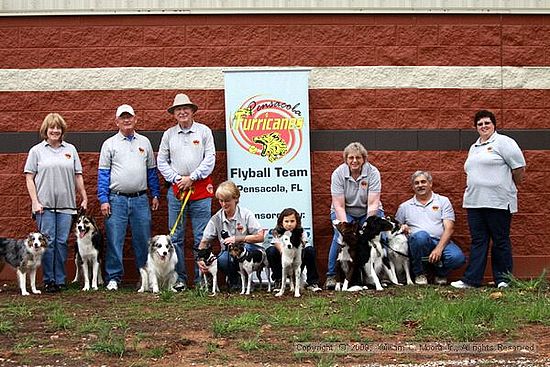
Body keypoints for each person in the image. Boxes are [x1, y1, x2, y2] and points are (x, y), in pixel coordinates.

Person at [451, 110, 526, 289]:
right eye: (480, 124)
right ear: (476, 128)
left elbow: (519, 168)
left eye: (487, 123)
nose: (484, 126)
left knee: (500, 240)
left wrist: (508, 185)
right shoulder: (474, 147)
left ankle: (503, 280)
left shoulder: (504, 142)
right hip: (474, 202)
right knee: (478, 241)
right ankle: (471, 280)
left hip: (498, 202)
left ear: (494, 125)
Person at [98, 104, 161, 291]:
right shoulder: (109, 144)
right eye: (122, 117)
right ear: (116, 121)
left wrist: (155, 193)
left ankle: (145, 277)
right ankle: (114, 278)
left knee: (143, 240)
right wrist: (103, 199)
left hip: (141, 199)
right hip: (116, 199)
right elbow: (103, 174)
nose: (126, 120)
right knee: (115, 239)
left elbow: (151, 172)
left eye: (129, 117)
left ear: (135, 119)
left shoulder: (145, 143)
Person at [157, 93, 216, 291]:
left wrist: (193, 177)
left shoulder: (204, 131)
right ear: (174, 114)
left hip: (200, 189)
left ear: (192, 111)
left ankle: (202, 280)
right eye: (178, 110)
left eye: (185, 109)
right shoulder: (168, 135)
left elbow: (210, 158)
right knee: (176, 237)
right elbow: (161, 161)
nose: (182, 112)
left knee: (202, 236)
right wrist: (176, 179)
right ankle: (180, 279)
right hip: (177, 191)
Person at [24, 113, 88, 293]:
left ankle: (60, 279)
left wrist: (84, 196)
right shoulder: (36, 151)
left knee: (61, 242)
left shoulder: (71, 150)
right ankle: (49, 280)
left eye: (58, 127)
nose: (55, 130)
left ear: (62, 130)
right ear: (46, 130)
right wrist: (35, 202)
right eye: (51, 127)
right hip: (44, 207)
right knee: (47, 242)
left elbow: (78, 175)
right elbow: (29, 178)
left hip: (66, 206)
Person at [325, 142, 382, 290]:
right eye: (351, 157)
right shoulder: (338, 173)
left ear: (364, 159)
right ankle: (331, 275)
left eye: (358, 157)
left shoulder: (373, 172)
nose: (354, 161)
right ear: (346, 159)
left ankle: (374, 275)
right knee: (340, 237)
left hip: (368, 210)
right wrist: (346, 227)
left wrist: (367, 224)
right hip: (345, 210)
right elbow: (339, 205)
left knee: (374, 237)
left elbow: (373, 202)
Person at [395, 171, 466, 285]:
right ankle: (420, 274)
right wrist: (402, 228)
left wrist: (438, 249)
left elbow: (449, 228)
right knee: (421, 236)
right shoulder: (405, 207)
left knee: (457, 258)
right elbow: (396, 229)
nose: (420, 185)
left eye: (423, 182)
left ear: (430, 184)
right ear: (413, 187)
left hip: (441, 241)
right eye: (416, 183)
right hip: (417, 244)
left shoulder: (443, 201)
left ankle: (440, 273)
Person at [196, 180, 265, 289]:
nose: (223, 204)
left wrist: (238, 239)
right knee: (222, 259)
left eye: (227, 200)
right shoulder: (216, 219)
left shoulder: (246, 214)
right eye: (221, 201)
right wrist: (200, 259)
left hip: (249, 251)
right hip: (230, 254)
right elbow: (204, 241)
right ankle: (234, 280)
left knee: (244, 250)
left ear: (236, 198)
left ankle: (248, 281)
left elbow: (261, 236)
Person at [266, 208, 322, 292]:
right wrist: (284, 253)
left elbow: (303, 245)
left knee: (310, 250)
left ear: (297, 222)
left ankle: (312, 282)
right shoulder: (277, 232)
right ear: (281, 222)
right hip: (284, 260)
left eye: (292, 221)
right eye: (286, 221)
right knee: (271, 251)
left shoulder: (301, 232)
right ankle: (279, 281)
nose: (289, 224)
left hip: (297, 259)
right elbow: (277, 244)